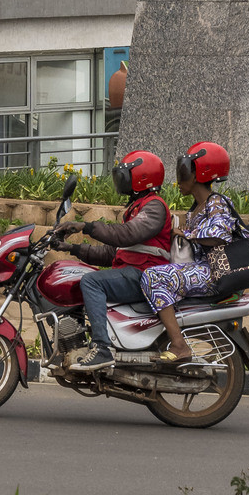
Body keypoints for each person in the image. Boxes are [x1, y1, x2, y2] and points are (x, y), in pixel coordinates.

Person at [57, 147, 172, 372]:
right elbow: (113, 253)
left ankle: (102, 349)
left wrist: (86, 226)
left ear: (142, 178)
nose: (121, 181)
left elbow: (126, 234)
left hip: (146, 275)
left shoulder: (154, 206)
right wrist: (71, 248)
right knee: (83, 274)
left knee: (91, 281)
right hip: (133, 271)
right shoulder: (137, 208)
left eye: (125, 176)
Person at [140, 139, 241, 361]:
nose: (179, 179)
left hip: (212, 272)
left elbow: (219, 235)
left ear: (201, 175)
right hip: (199, 269)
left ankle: (179, 345)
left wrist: (186, 234)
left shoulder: (216, 203)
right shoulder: (197, 207)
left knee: (153, 277)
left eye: (185, 171)